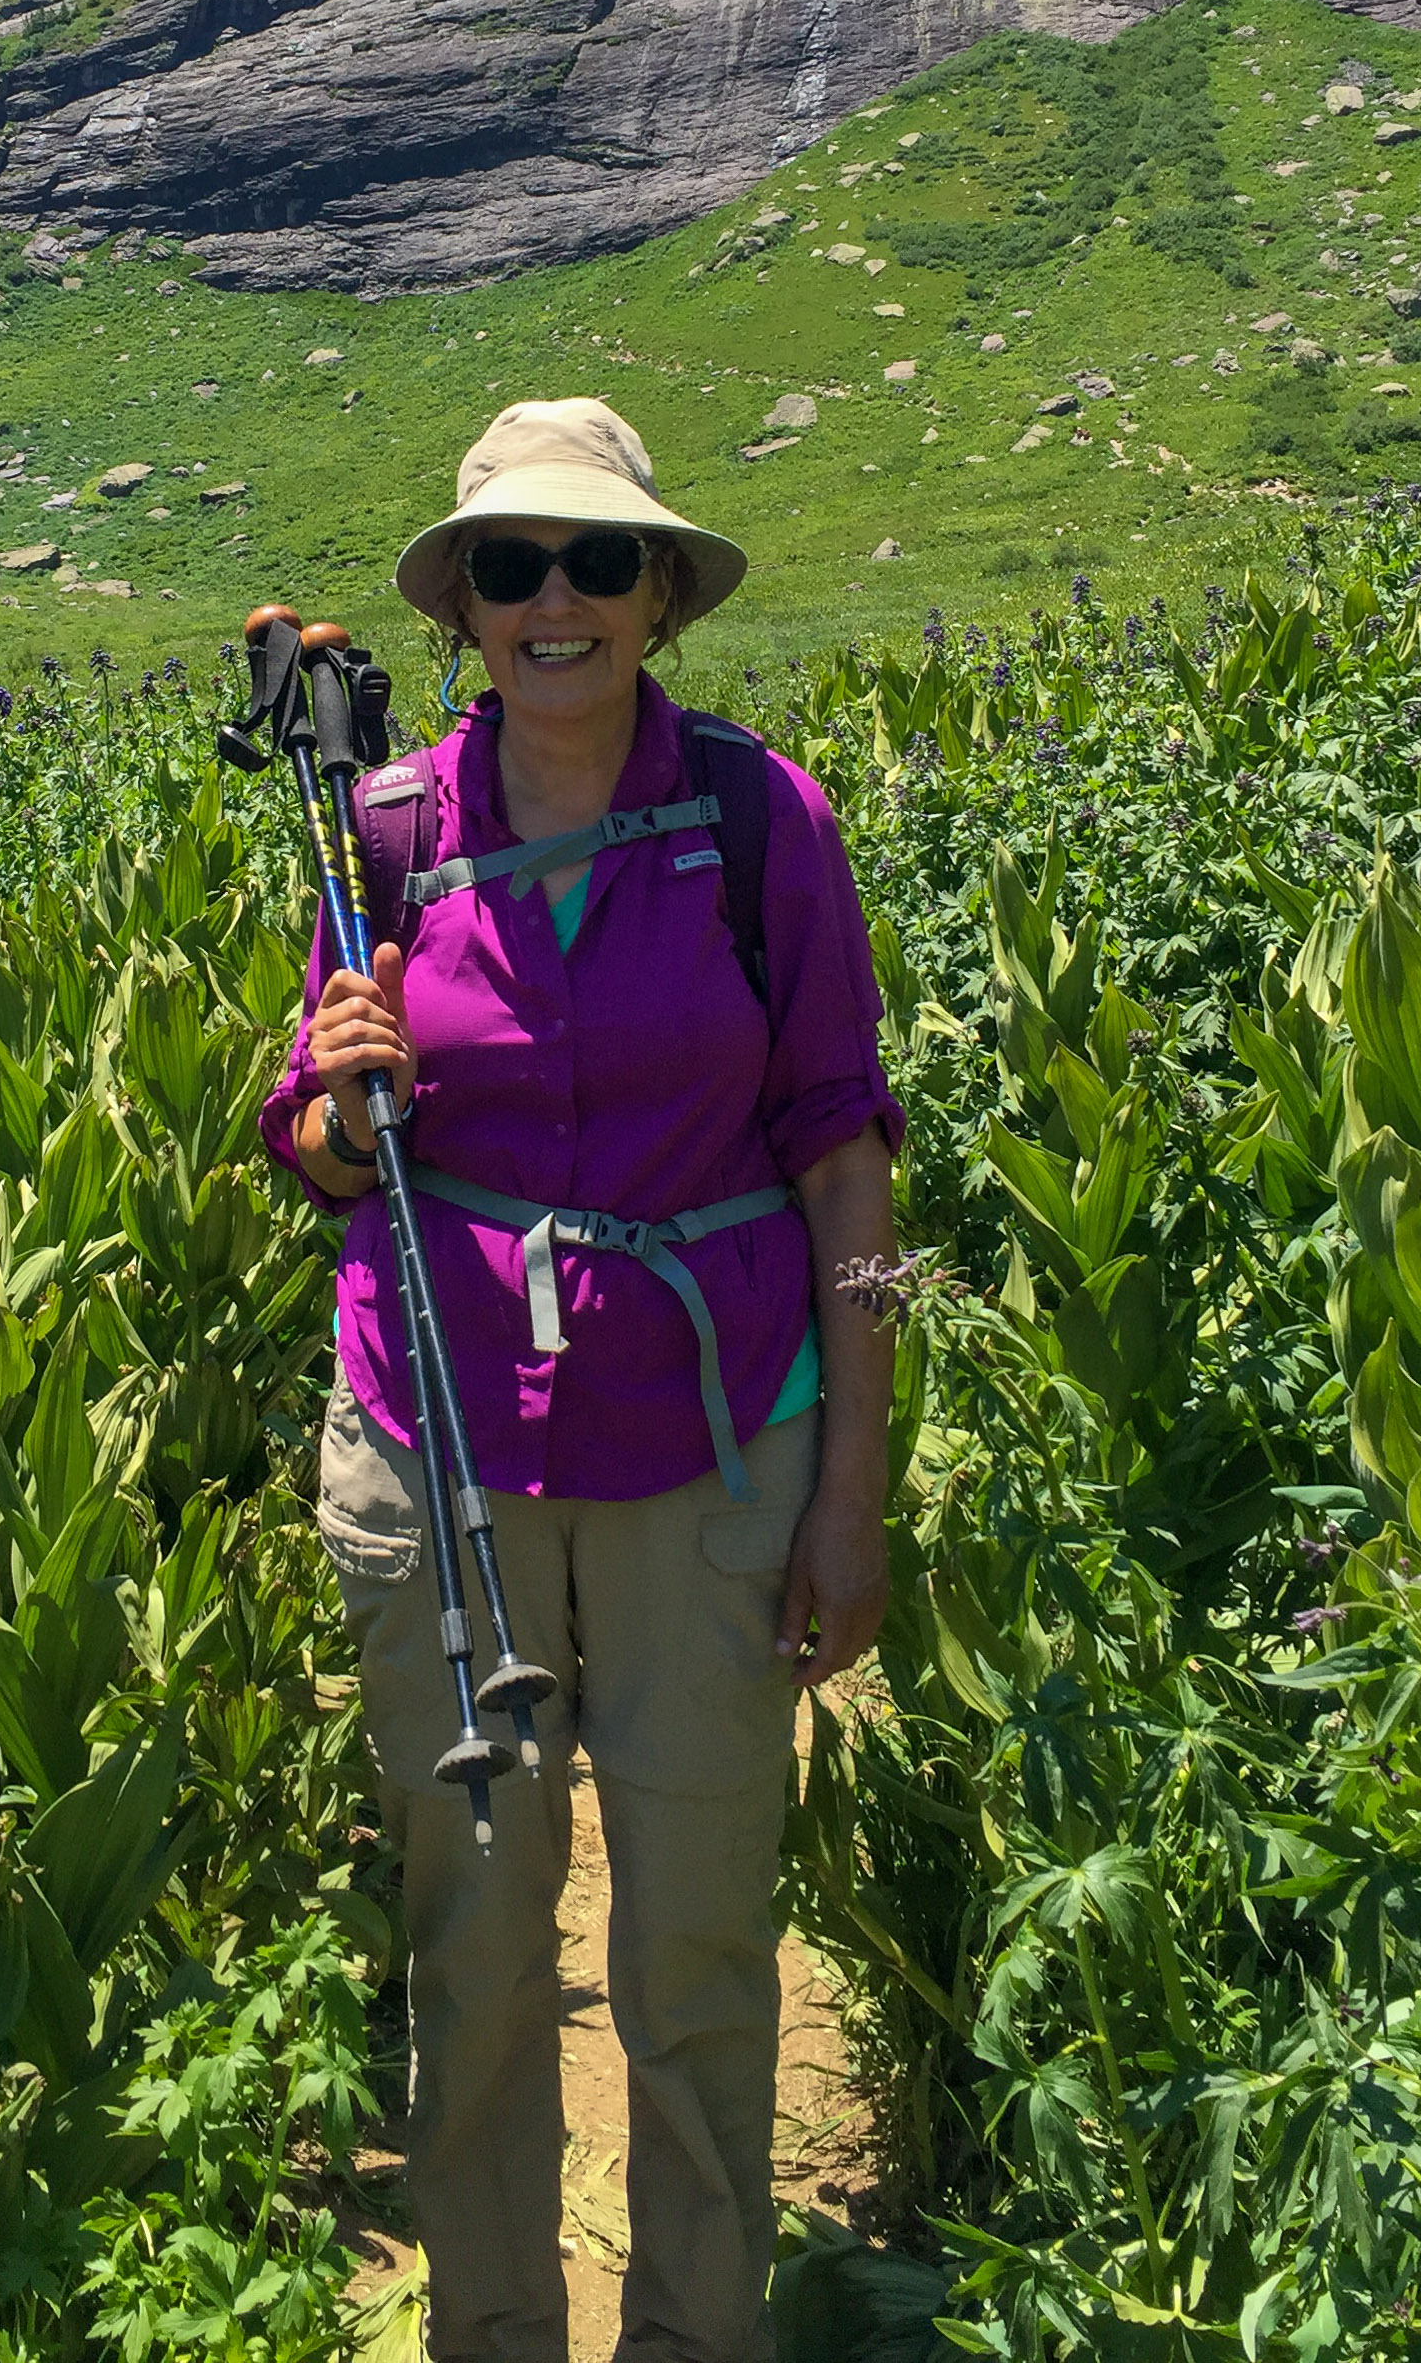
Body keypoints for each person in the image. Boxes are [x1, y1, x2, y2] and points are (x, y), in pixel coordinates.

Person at [260, 397, 902, 2363]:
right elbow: (320, 1139)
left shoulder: (753, 819)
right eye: (513, 568)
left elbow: (844, 1142)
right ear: (461, 610)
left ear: (655, 597)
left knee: (697, 1944)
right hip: (440, 1443)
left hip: (714, 1447)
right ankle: (495, 2334)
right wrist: (337, 1097)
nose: (557, 602)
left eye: (598, 562)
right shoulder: (380, 832)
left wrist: (859, 1469)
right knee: (476, 1942)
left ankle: (695, 2337)